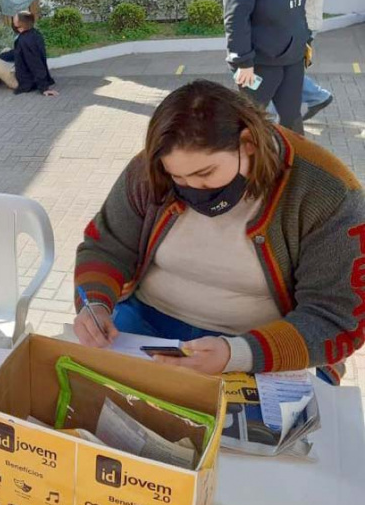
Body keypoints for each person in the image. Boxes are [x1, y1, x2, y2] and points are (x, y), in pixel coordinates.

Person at [73, 80, 365, 384]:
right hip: (144, 322)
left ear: (248, 143)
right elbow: (106, 246)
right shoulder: (151, 169)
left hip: (261, 345)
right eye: (177, 178)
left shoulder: (329, 193)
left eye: (205, 173)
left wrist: (236, 354)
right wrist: (95, 303)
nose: (191, 188)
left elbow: (335, 319)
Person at [225, 0, 309, 134]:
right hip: (258, 65)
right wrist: (243, 62)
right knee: (251, 120)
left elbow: (298, 11)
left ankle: (294, 148)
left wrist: (305, 39)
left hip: (293, 59)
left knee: (292, 117)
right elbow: (236, 20)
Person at [0, 11, 58, 97]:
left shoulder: (26, 41)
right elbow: (17, 53)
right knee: (6, 50)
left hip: (18, 80)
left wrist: (44, 88)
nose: (13, 22)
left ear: (20, 26)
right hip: (22, 72)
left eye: (14, 21)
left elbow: (36, 64)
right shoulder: (34, 34)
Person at [267, 0, 333, 122]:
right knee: (283, 70)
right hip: (300, 23)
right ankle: (318, 96)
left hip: (302, 24)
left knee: (280, 70)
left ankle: (273, 119)